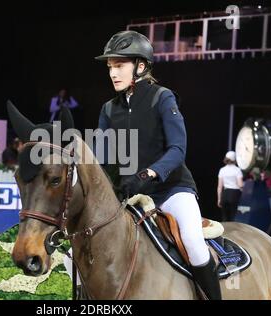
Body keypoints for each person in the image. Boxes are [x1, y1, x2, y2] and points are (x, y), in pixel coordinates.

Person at [94, 30, 221, 299]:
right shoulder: (108, 109)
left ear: (140, 66)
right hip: (130, 193)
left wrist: (149, 173)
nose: (113, 73)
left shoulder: (162, 98)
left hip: (171, 190)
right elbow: (102, 159)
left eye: (119, 66)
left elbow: (178, 149)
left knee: (194, 244)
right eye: (110, 67)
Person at [217, 151, 243, 222]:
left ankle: (224, 233)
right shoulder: (237, 170)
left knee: (225, 218)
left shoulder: (222, 170)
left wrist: (219, 199)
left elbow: (219, 186)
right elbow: (240, 185)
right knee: (233, 218)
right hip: (235, 194)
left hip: (225, 194)